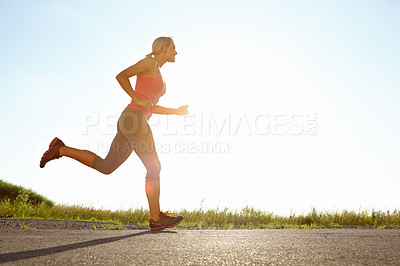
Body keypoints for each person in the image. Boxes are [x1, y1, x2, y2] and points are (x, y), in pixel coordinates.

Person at [40, 36, 188, 231]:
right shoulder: (149, 62)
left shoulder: (157, 71)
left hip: (133, 120)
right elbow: (121, 76)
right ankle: (156, 218)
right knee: (154, 165)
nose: (176, 51)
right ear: (164, 48)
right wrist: (135, 97)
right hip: (134, 119)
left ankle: (61, 149)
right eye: (173, 48)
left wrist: (175, 111)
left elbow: (151, 105)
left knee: (107, 166)